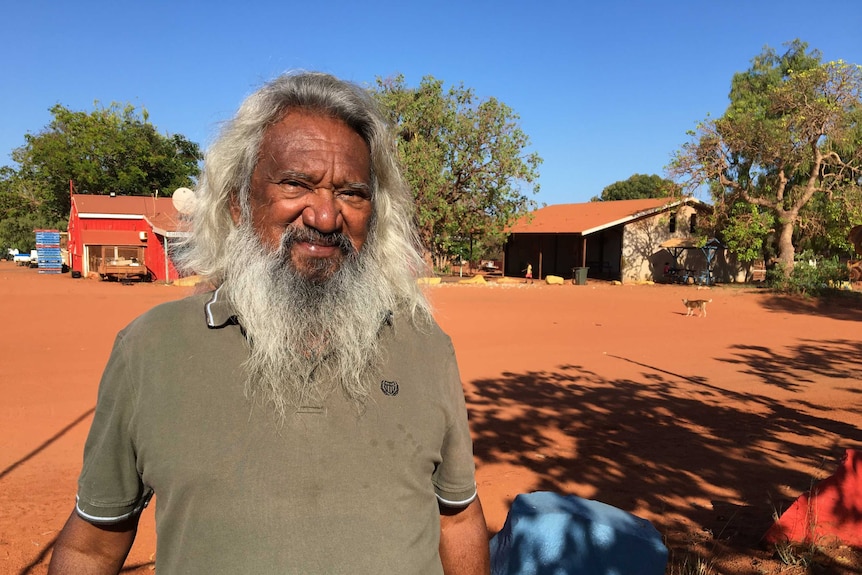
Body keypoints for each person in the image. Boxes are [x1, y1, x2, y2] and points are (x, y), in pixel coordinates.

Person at [49, 72, 490, 574]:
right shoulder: (150, 349)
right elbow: (91, 546)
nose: (325, 216)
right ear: (238, 203)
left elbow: (458, 521)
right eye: (295, 184)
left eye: (351, 193)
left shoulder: (425, 346)